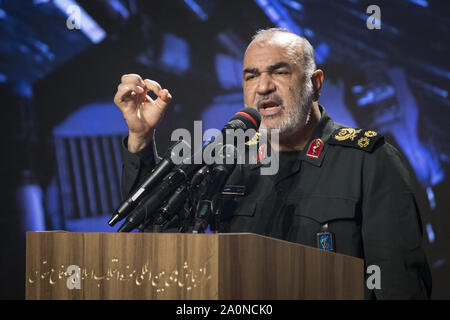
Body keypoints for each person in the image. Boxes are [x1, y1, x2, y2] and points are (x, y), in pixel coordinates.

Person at [113, 28, 432, 299]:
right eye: (251, 76)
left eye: (279, 72)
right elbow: (156, 232)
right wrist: (140, 137)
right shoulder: (230, 161)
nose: (262, 86)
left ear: (315, 83)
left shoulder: (369, 162)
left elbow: (399, 287)